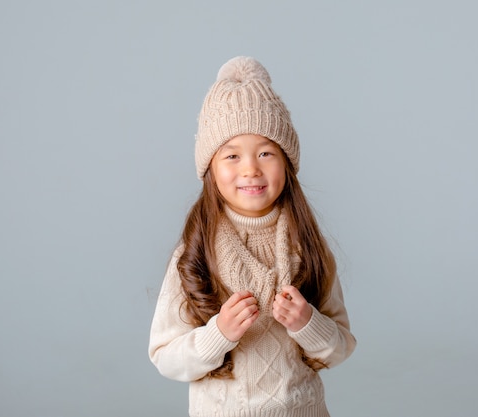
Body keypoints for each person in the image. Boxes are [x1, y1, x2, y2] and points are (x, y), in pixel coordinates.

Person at [148, 56, 356, 417]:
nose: (250, 169)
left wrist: (308, 323)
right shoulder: (196, 253)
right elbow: (166, 357)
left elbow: (340, 348)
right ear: (210, 169)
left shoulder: (306, 247)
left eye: (265, 152)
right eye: (231, 155)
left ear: (286, 163)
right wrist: (219, 333)